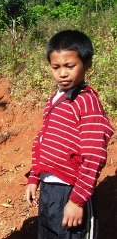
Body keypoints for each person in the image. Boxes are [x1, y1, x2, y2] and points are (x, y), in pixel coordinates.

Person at [25, 30, 115, 238]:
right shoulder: (55, 100)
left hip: (71, 191)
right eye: (56, 67)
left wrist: (76, 200)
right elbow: (42, 141)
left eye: (70, 66)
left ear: (87, 64)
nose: (62, 73)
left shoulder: (87, 102)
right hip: (49, 191)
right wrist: (34, 177)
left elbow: (94, 154)